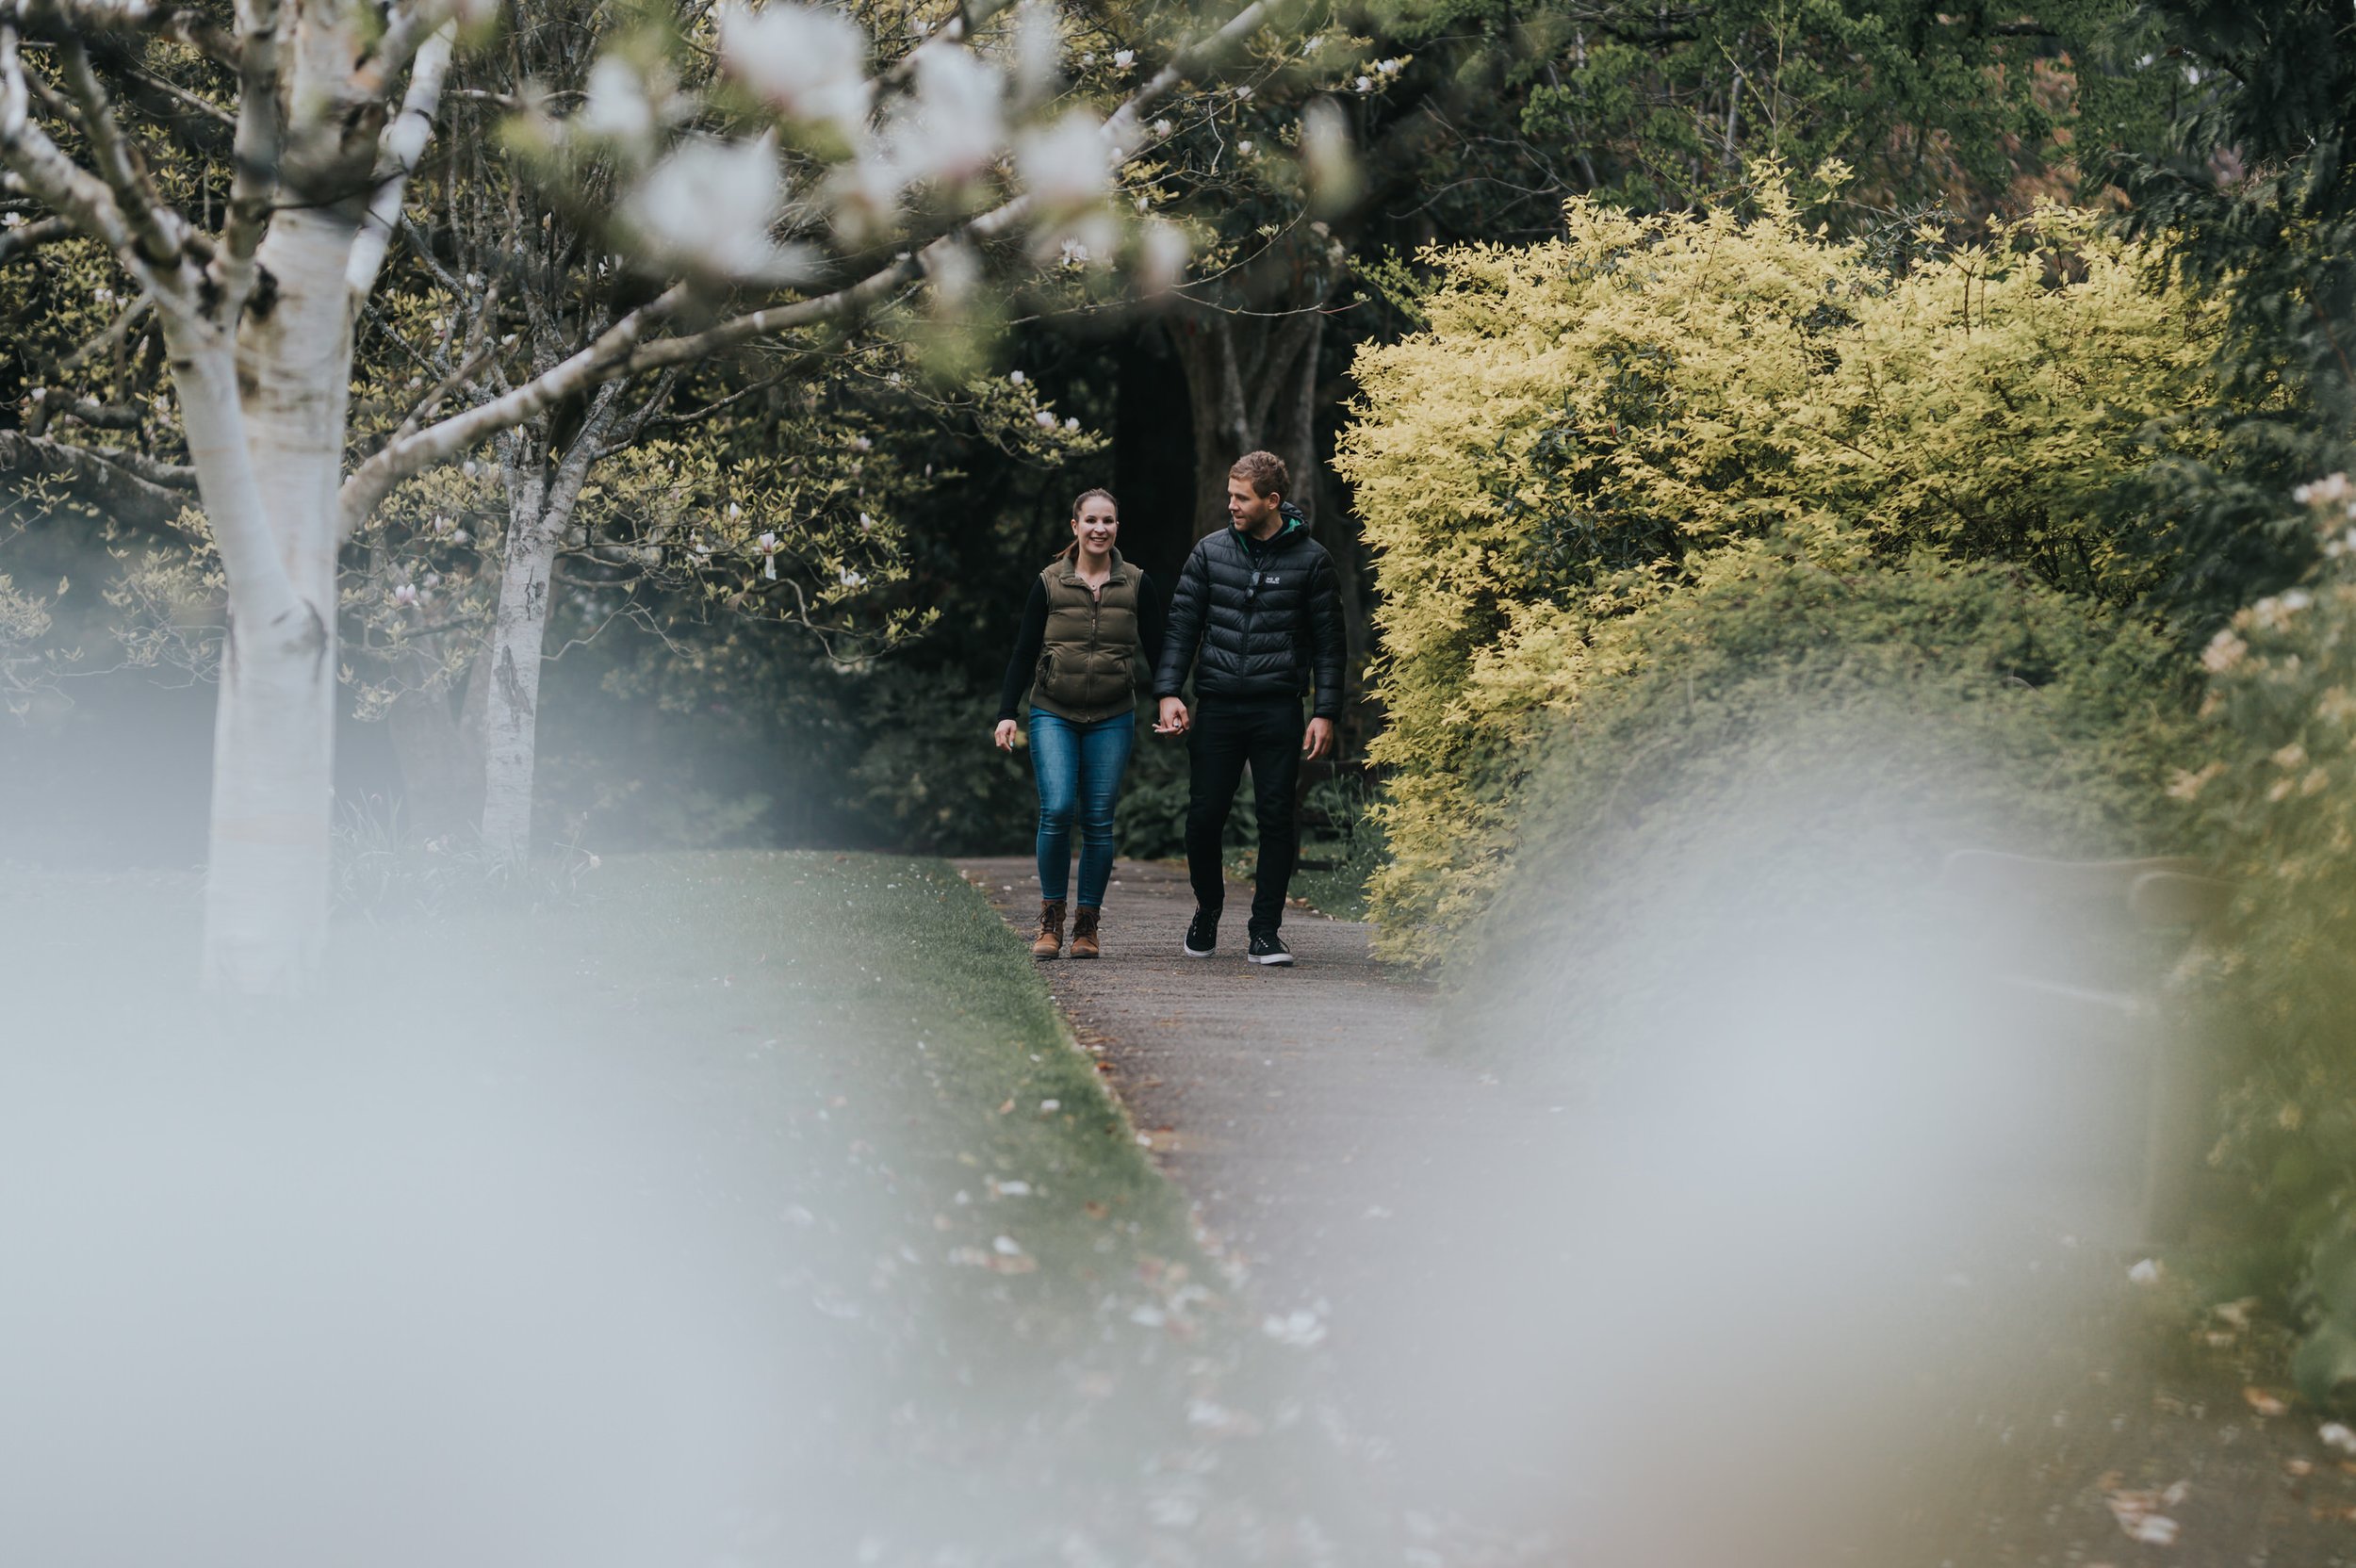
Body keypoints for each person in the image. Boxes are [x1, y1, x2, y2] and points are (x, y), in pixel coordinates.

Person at [1153, 451, 1347, 967]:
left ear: (1272, 501)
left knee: (1276, 819)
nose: (1231, 505)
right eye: (1230, 495)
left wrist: (1325, 711)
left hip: (1277, 709)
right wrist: (1169, 691)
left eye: (1241, 498)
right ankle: (1208, 911)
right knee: (1203, 818)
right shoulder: (1209, 553)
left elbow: (1330, 645)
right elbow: (1181, 626)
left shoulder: (1312, 561)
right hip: (1216, 705)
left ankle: (1265, 931)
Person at [995, 487, 1165, 960]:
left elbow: (1158, 649)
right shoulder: (1049, 583)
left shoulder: (1136, 583)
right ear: (1075, 527)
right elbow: (1023, 652)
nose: (1099, 529)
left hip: (1113, 715)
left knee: (1099, 821)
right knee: (1057, 810)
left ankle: (1087, 926)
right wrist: (1007, 712)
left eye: (1108, 521)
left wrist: (1172, 698)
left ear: (1116, 528)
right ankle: (1051, 920)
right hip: (1053, 711)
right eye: (1090, 520)